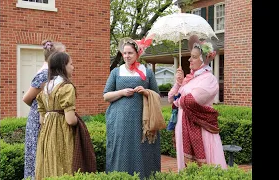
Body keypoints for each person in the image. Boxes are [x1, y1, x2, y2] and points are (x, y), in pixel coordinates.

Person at [103, 36, 165, 179]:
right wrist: (122, 92)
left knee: (143, 150)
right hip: (120, 121)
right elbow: (106, 95)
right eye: (124, 53)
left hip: (143, 121)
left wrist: (145, 92)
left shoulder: (147, 72)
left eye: (130, 53)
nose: (126, 56)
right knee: (122, 150)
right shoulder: (116, 72)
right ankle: (119, 176)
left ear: (137, 54)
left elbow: (157, 95)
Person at [168, 35, 227, 171]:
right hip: (183, 126)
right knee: (185, 167)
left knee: (206, 164)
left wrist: (178, 100)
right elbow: (171, 98)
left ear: (204, 59)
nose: (189, 59)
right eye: (190, 56)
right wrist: (178, 83)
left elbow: (192, 101)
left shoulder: (209, 79)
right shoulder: (190, 79)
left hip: (201, 128)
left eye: (194, 57)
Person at [34, 51, 96, 180]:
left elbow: (41, 119)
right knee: (64, 164)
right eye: (71, 64)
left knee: (49, 165)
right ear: (63, 66)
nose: (73, 67)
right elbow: (70, 120)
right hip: (62, 132)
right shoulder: (66, 87)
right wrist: (78, 122)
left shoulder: (44, 87)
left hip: (46, 133)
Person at [22, 39, 66, 179]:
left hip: (49, 119)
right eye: (63, 54)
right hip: (38, 120)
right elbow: (27, 98)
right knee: (37, 155)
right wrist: (42, 110)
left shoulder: (56, 75)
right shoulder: (44, 75)